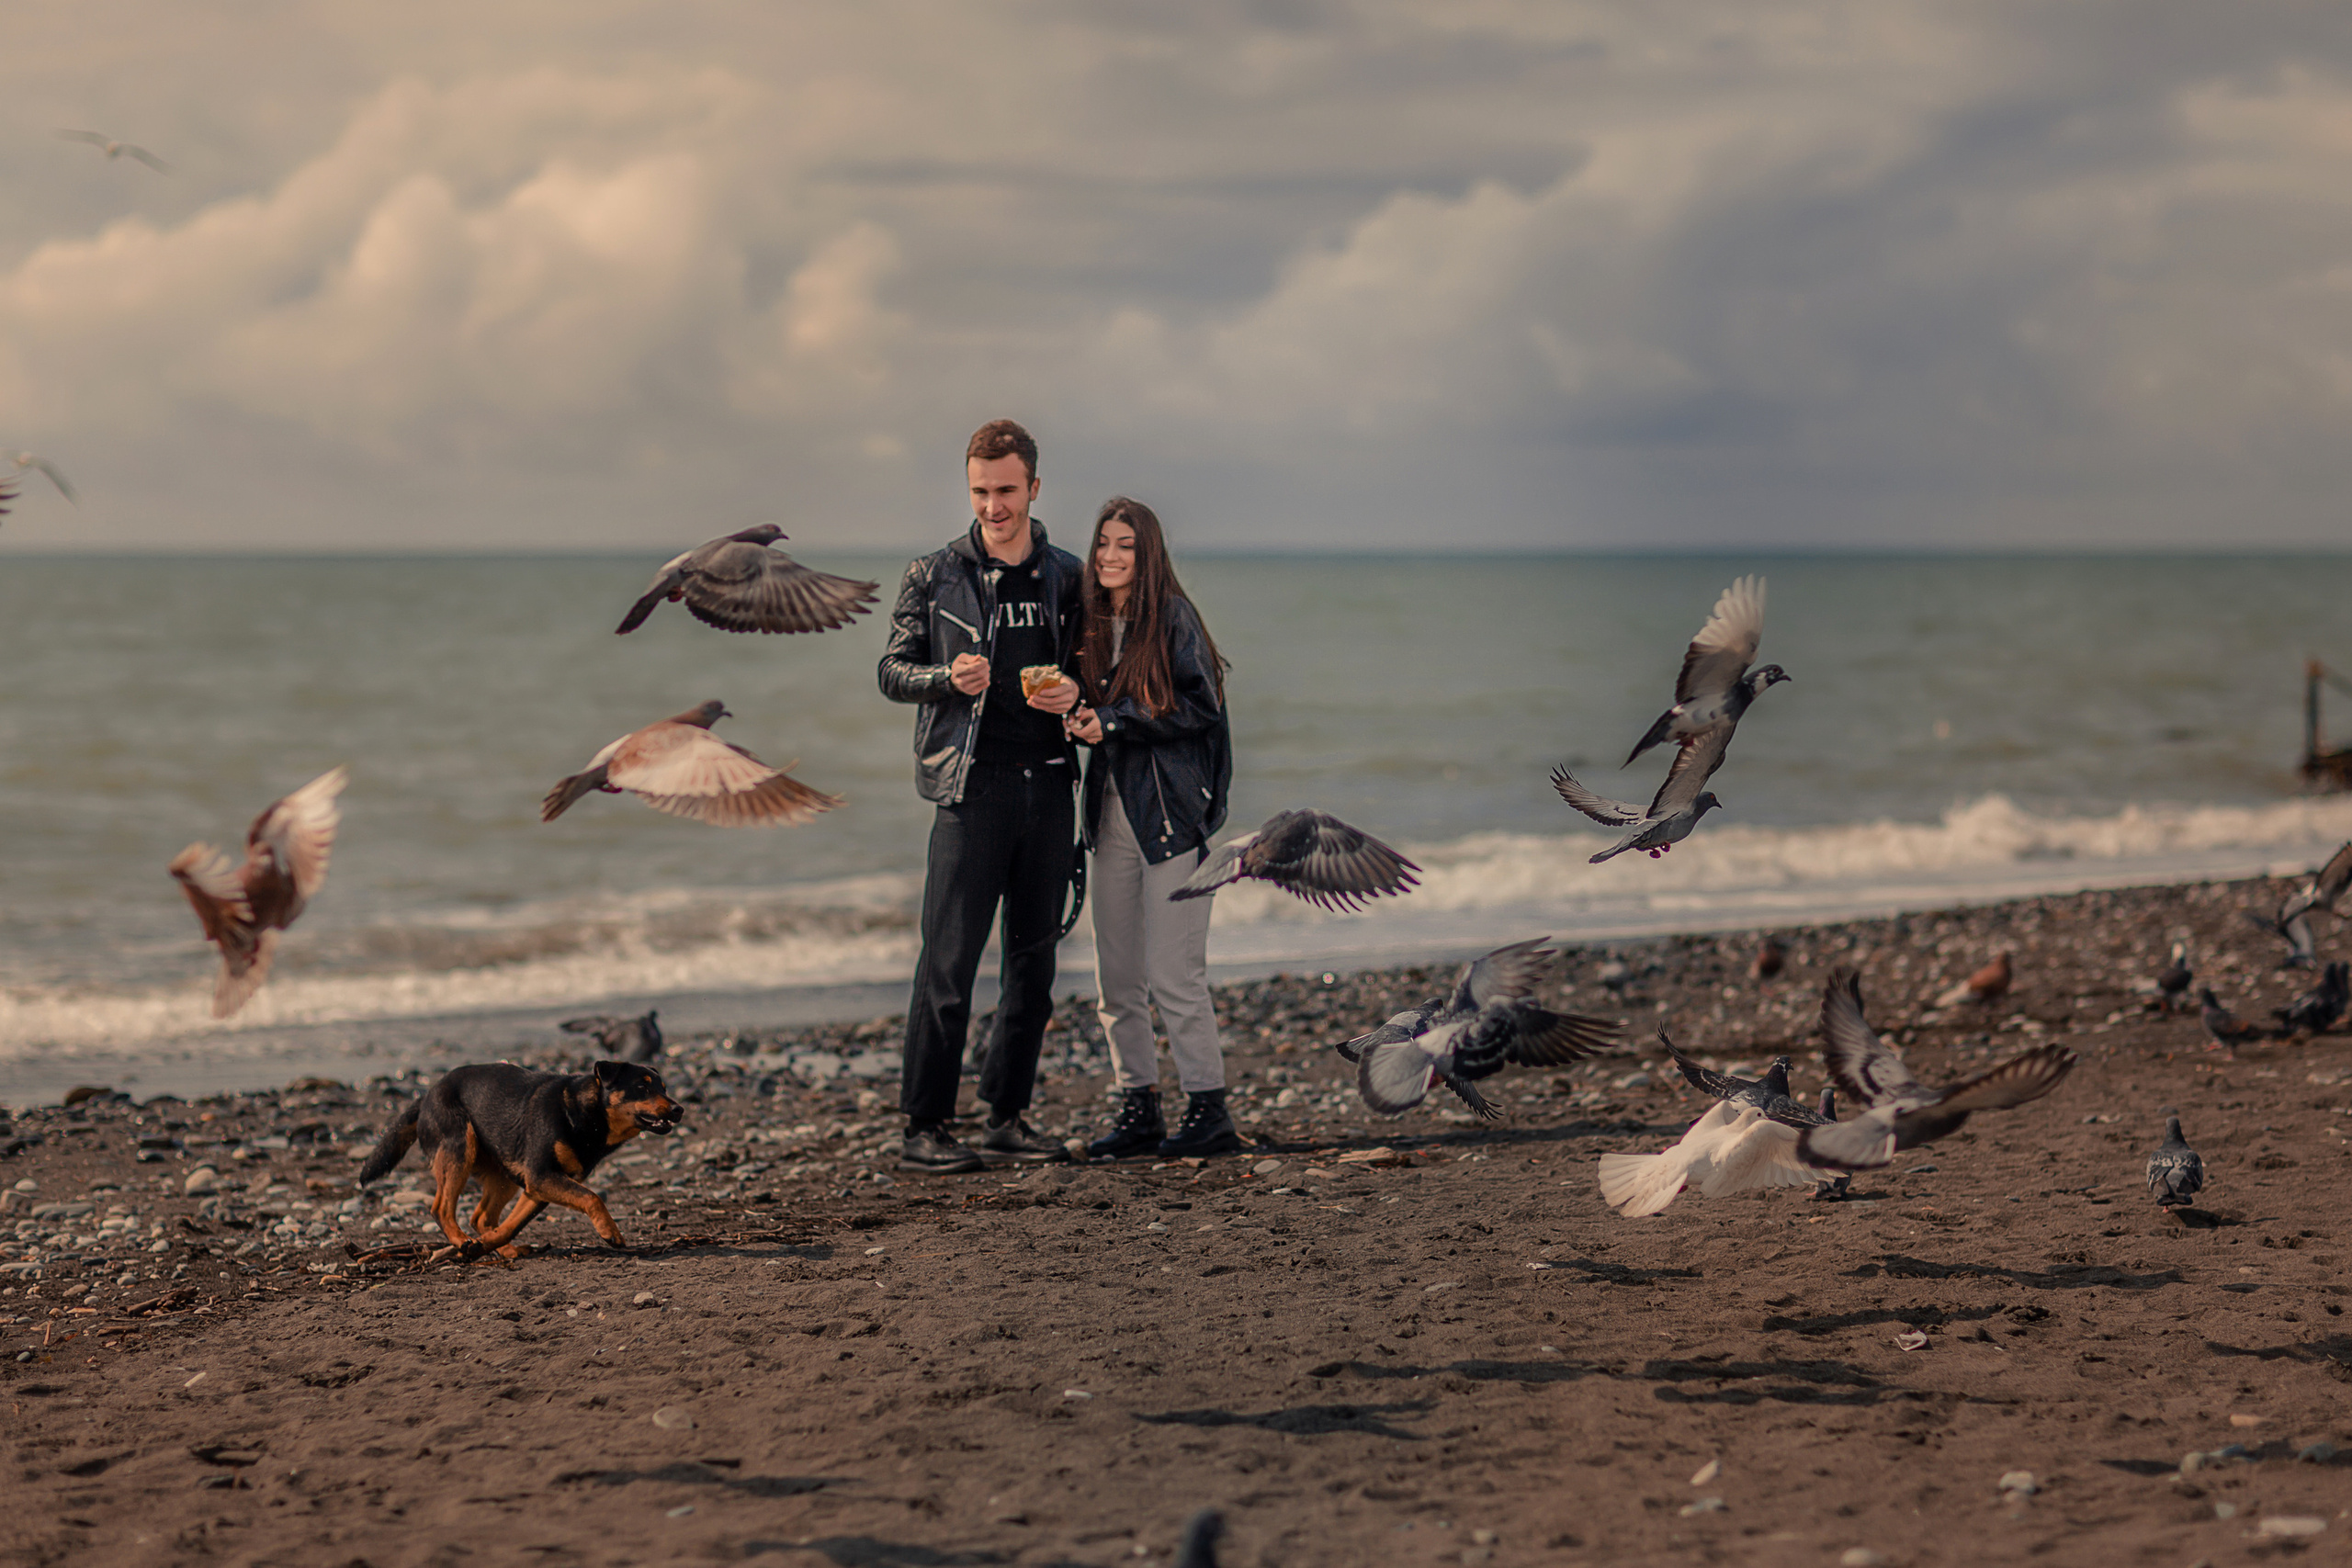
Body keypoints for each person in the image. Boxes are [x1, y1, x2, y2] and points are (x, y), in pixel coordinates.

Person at [878, 419, 1085, 1173]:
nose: (993, 506)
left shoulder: (1067, 574)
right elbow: (892, 670)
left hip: (1050, 786)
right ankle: (923, 1125)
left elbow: (1096, 668)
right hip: (970, 791)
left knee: (1033, 965)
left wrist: (1077, 693)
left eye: (1005, 490)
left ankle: (1007, 1114)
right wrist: (944, 679)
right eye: (980, 491)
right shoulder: (933, 573)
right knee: (949, 965)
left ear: (1033, 487)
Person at [1063, 497, 1238, 1159]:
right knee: (1117, 975)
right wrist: (1076, 714)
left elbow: (1198, 705)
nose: (1109, 555)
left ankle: (1208, 1107)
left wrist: (1116, 720)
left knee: (1174, 972)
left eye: (1125, 545)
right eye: (1103, 542)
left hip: (1170, 819)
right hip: (1111, 816)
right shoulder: (1094, 622)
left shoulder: (1172, 616)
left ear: (1149, 552)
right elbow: (1096, 711)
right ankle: (1139, 1104)